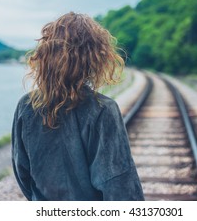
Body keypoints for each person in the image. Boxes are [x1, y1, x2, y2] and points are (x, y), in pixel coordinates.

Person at [12, 12, 144, 201]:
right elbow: (119, 186)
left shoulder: (26, 106)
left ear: (45, 56)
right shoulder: (103, 110)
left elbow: (22, 173)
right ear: (94, 58)